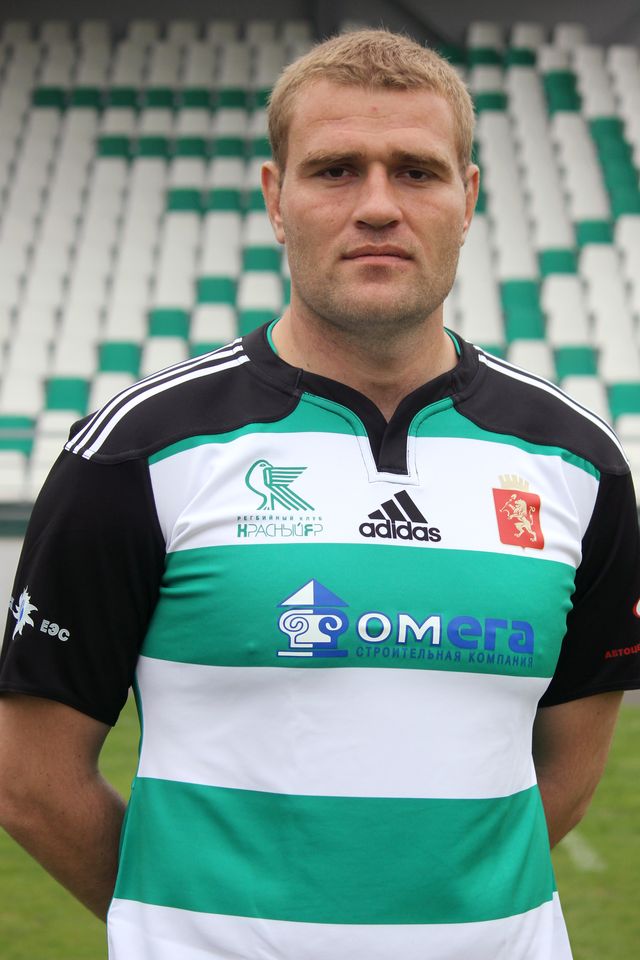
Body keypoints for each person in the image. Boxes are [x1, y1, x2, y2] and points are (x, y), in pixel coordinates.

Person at [1, 28, 639, 960]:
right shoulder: (136, 449)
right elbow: (29, 777)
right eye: (336, 171)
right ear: (276, 197)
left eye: (416, 172)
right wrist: (185, 932)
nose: (377, 206)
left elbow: (569, 777)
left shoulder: (580, 462)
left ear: (468, 198)